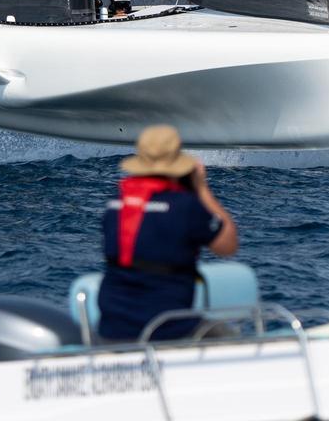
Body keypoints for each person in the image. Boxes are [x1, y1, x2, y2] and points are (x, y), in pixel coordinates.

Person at [97, 125, 238, 341]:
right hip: (169, 330)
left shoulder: (116, 203)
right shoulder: (186, 206)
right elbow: (228, 246)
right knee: (230, 336)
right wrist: (201, 188)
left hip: (113, 329)